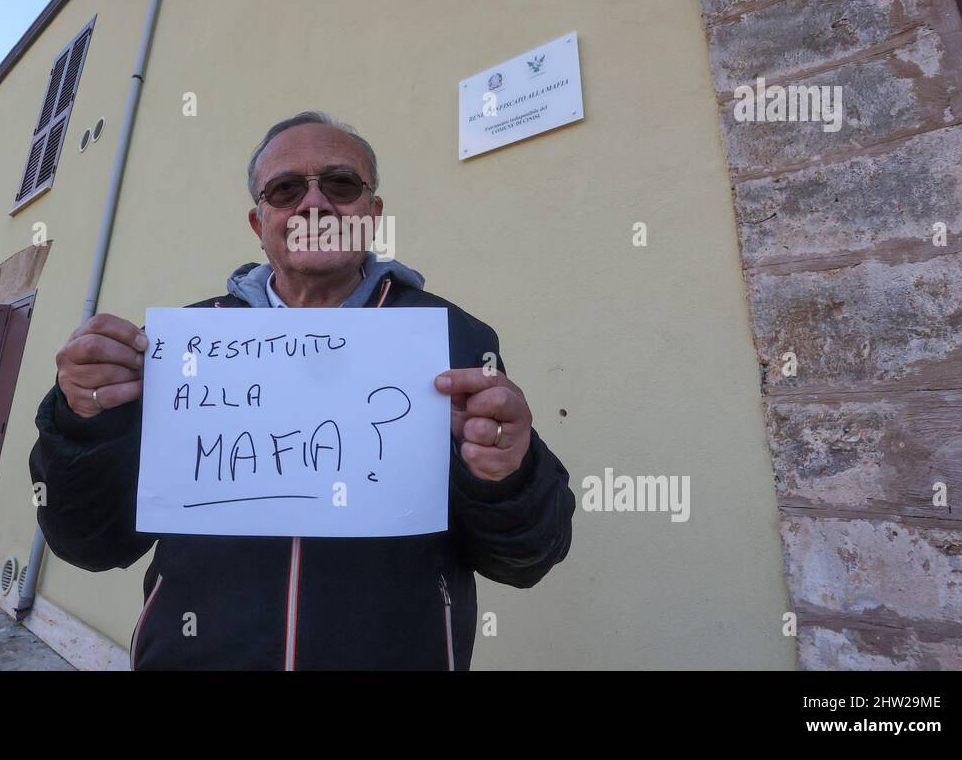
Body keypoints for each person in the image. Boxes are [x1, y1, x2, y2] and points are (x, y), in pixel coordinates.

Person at [29, 110, 576, 669]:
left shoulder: (453, 338)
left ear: (373, 213)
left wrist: (510, 473)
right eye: (286, 189)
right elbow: (91, 544)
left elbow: (527, 559)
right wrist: (81, 421)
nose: (313, 205)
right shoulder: (180, 349)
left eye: (340, 184)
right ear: (258, 221)